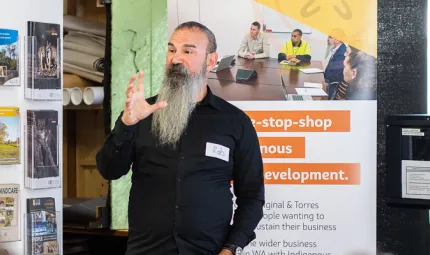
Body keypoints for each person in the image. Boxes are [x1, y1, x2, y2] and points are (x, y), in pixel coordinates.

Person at [96, 21, 265, 255]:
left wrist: (231, 248)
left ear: (211, 61)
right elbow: (109, 170)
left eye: (188, 51)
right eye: (171, 50)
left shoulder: (234, 122)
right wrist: (126, 124)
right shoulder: (142, 114)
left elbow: (252, 197)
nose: (176, 59)